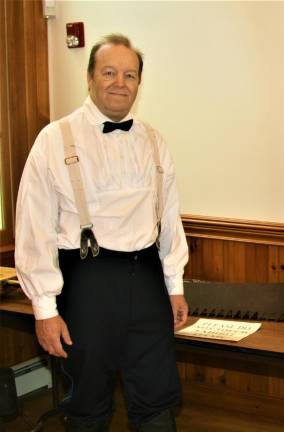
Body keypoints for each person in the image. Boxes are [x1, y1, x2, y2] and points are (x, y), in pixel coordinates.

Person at [14, 34, 189, 432]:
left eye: (129, 74)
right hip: (86, 282)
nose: (119, 82)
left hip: (146, 279)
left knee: (157, 397)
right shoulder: (53, 140)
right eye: (108, 72)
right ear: (89, 78)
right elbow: (33, 229)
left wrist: (174, 284)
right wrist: (45, 310)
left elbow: (169, 216)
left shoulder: (153, 140)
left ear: (139, 84)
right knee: (88, 404)